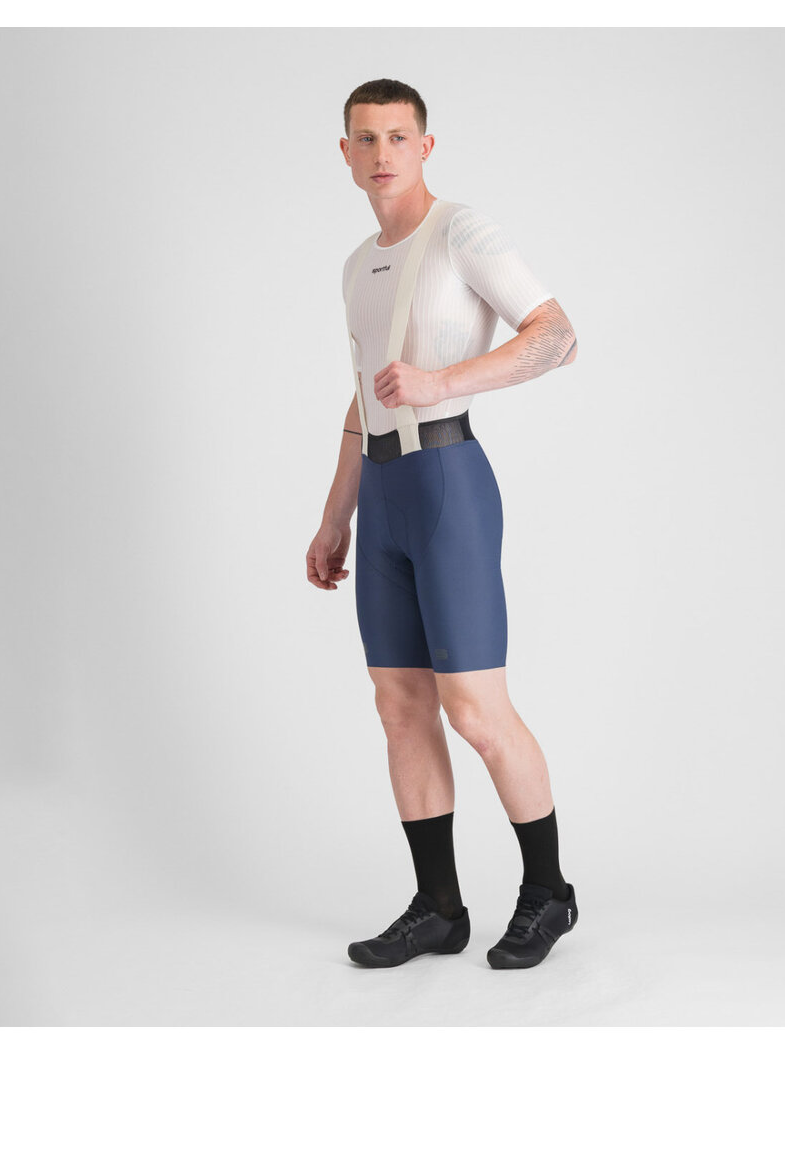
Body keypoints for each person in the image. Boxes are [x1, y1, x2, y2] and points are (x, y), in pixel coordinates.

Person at [307, 78, 579, 970]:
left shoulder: (462, 231)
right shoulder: (357, 264)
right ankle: (439, 908)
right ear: (345, 153)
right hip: (382, 498)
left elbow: (557, 335)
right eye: (365, 138)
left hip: (448, 483)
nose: (381, 153)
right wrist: (335, 516)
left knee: (475, 709)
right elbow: (363, 399)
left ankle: (550, 892)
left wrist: (442, 383)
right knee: (399, 705)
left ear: (425, 146)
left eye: (398, 136)